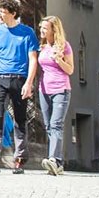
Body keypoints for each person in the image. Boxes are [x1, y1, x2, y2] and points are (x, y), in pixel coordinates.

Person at [0, 0, 38, 173]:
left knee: (20, 120)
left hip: (20, 79)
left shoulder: (28, 33)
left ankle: (20, 159)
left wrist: (29, 83)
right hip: (1, 79)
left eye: (2, 12)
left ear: (13, 13)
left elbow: (33, 60)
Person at [37, 15, 76, 176]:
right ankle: (57, 162)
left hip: (61, 89)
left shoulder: (64, 46)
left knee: (56, 124)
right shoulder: (43, 47)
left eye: (45, 28)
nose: (42, 30)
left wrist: (59, 60)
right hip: (44, 90)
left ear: (54, 30)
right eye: (41, 27)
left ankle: (54, 159)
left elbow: (71, 70)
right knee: (48, 125)